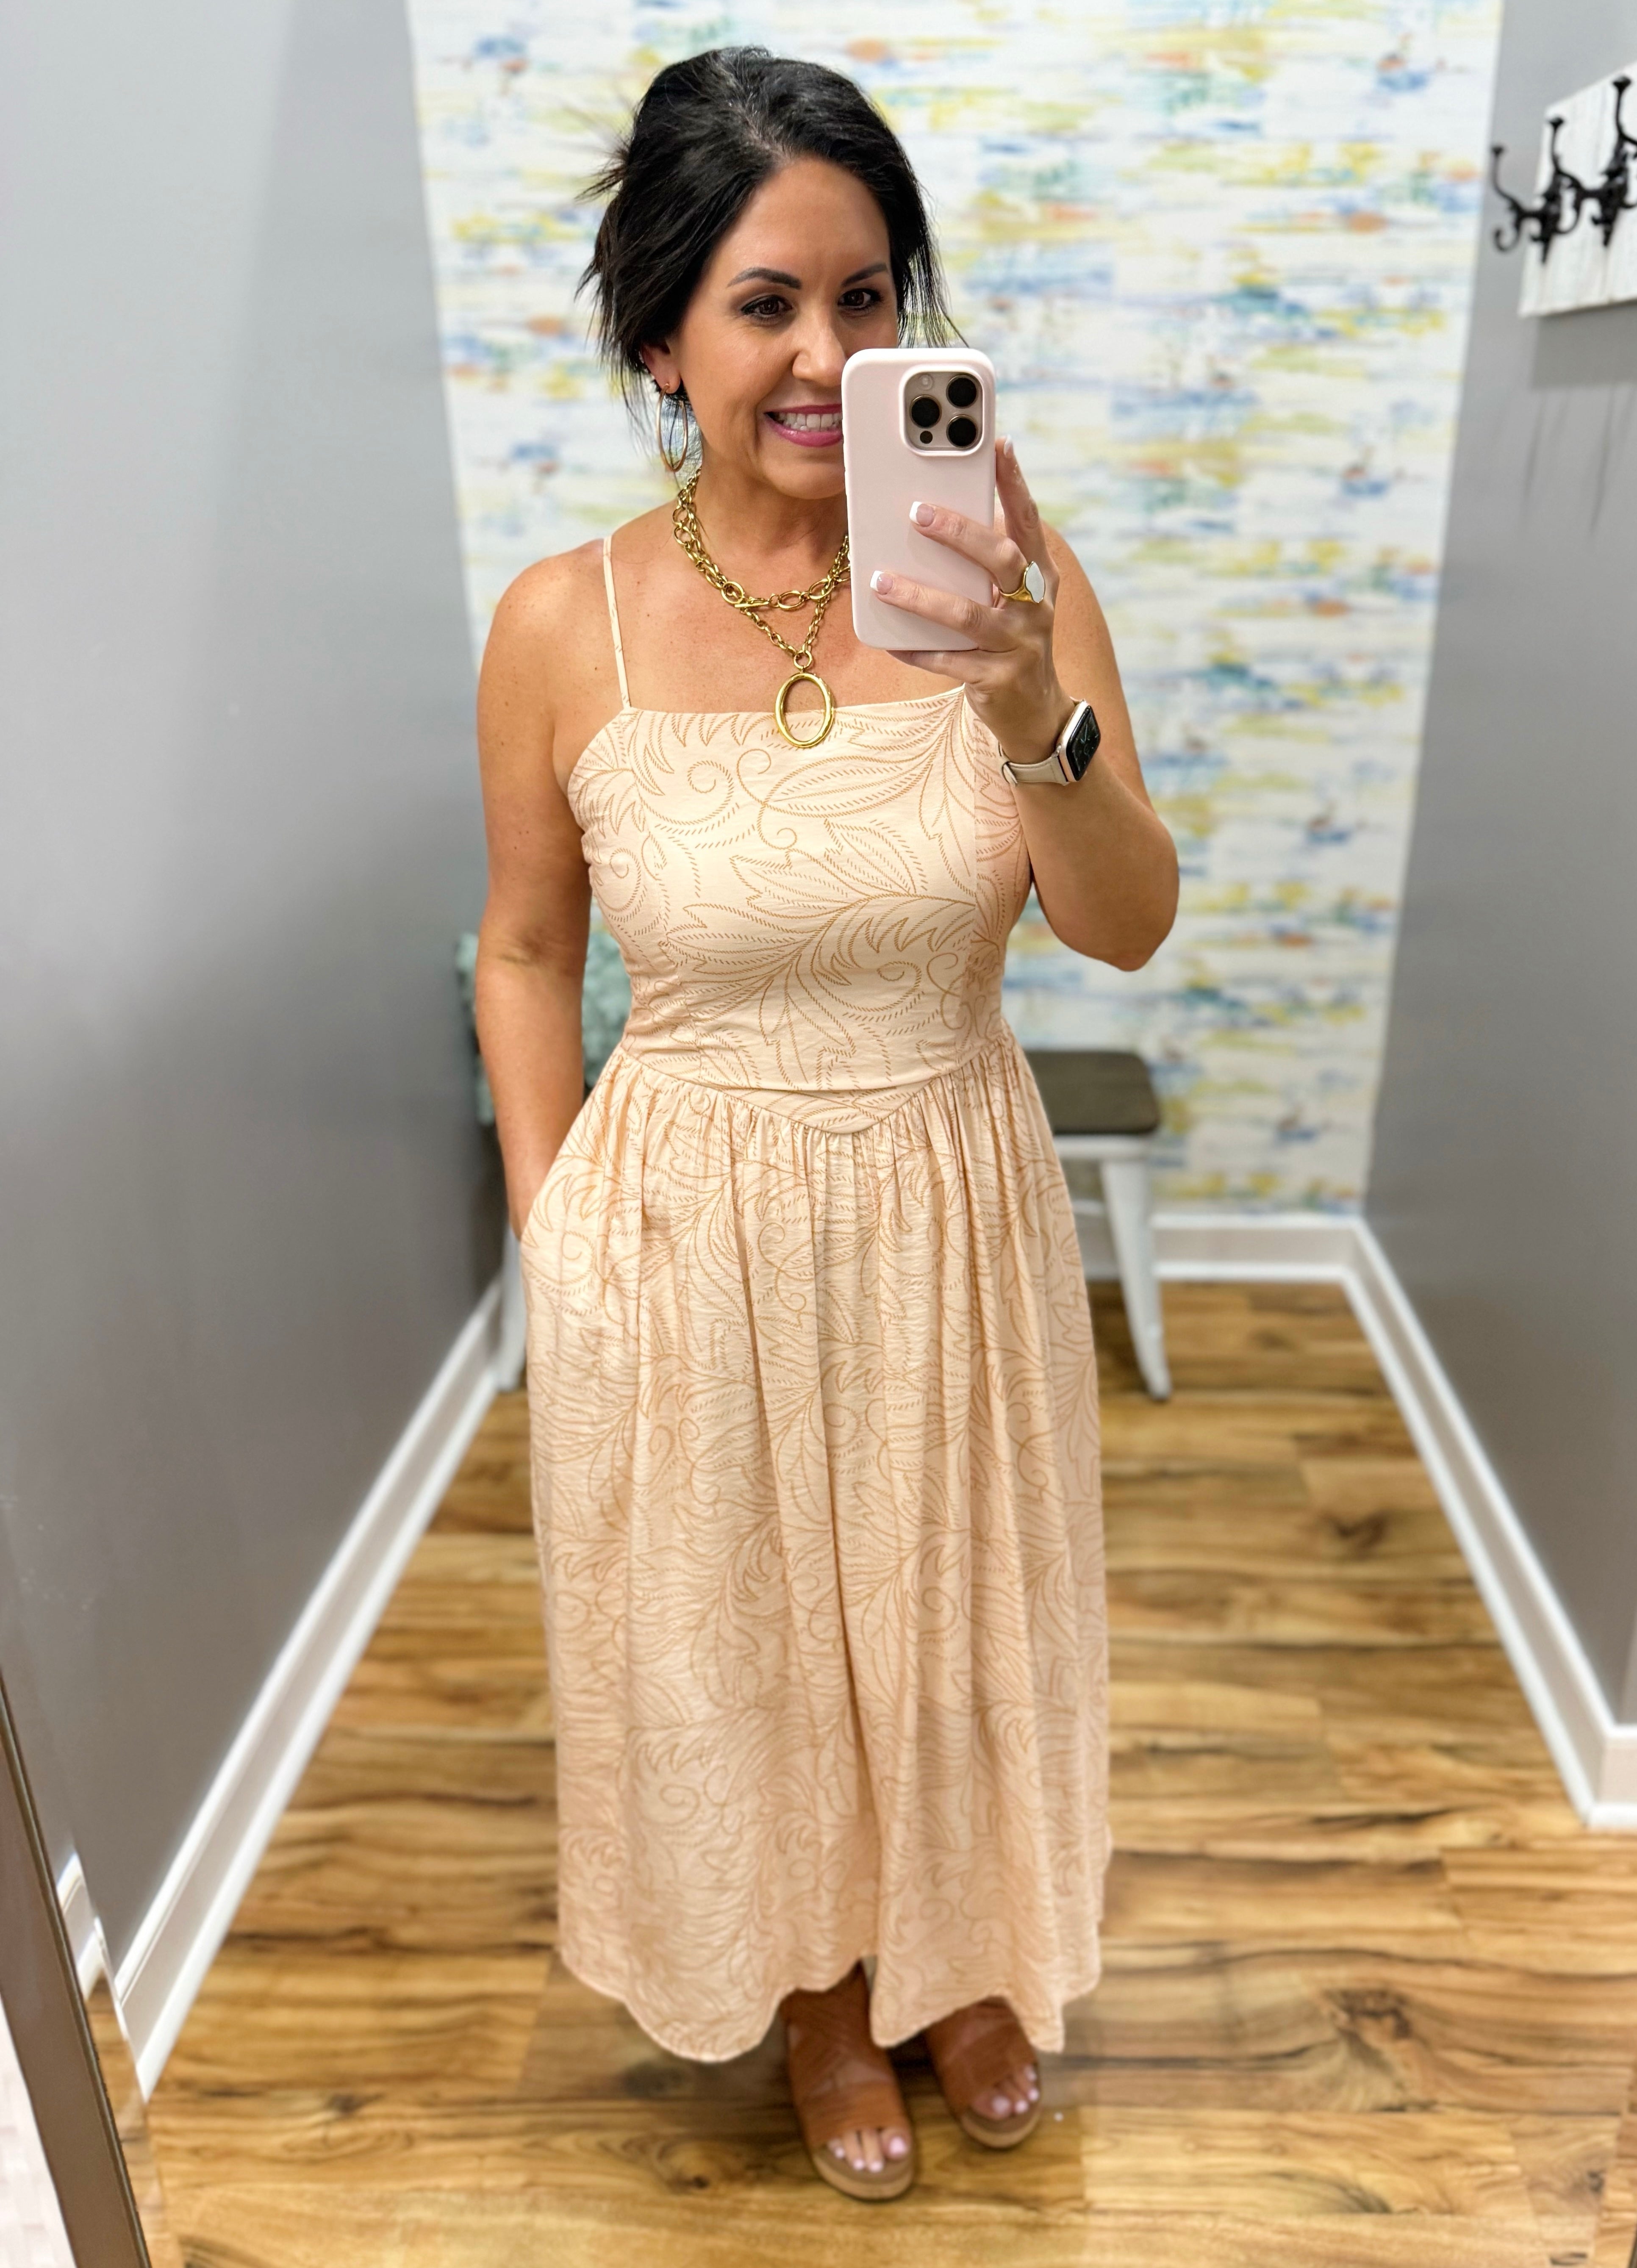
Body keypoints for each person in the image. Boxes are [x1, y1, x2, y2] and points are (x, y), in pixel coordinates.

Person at [473, 45, 1177, 2204]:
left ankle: (963, 1961)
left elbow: (1127, 927)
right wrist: (554, 1228)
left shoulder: (1007, 577)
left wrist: (1021, 702)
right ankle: (808, 1990)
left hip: (949, 1197)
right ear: (660, 330)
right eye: (771, 302)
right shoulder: (560, 628)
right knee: (750, 1643)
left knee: (959, 1614)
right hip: (689, 1223)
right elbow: (515, 950)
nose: (828, 355)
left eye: (871, 300)